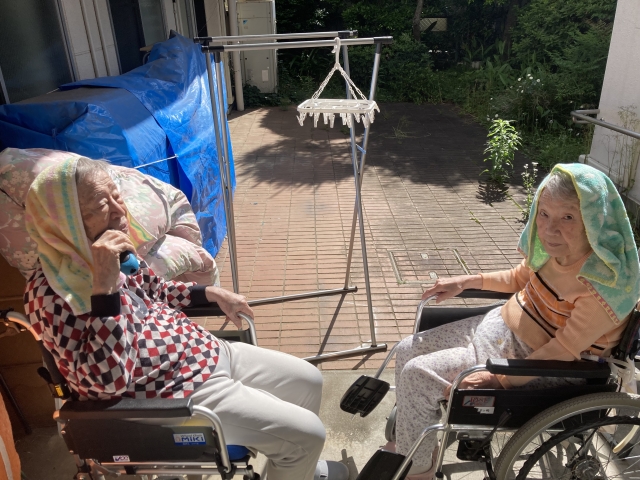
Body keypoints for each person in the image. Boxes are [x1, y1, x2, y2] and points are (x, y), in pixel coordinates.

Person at [23, 157, 349, 480]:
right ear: (62, 222)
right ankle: (298, 461)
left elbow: (156, 289)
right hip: (168, 392)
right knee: (307, 437)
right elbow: (104, 384)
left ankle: (299, 471)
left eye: (117, 196)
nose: (120, 211)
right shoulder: (50, 295)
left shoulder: (108, 250)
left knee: (308, 380)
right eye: (100, 206)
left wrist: (208, 294)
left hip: (200, 350)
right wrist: (104, 289)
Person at [389, 163, 640, 479]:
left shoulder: (602, 283)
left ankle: (417, 471)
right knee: (406, 349)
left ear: (594, 221)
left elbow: (563, 349)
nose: (550, 229)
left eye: (567, 217)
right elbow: (518, 277)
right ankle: (412, 444)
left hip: (531, 364)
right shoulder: (554, 250)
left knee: (417, 375)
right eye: (544, 214)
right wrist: (465, 282)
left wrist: (500, 380)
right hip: (497, 331)